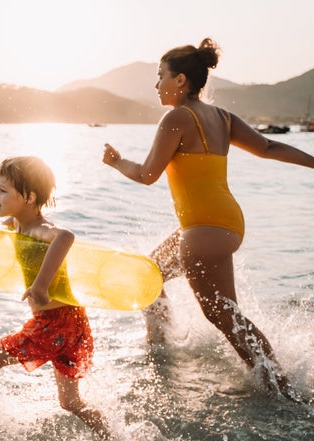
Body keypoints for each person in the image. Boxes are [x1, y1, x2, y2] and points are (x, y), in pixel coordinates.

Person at [101, 38, 314, 399]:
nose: (156, 85)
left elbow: (148, 174)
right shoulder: (221, 117)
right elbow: (269, 147)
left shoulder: (177, 117)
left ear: (180, 80)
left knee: (224, 317)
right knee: (150, 275)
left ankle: (279, 388)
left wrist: (116, 162)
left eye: (160, 76)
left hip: (203, 229)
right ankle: (162, 348)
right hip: (224, 221)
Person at [0, 155, 108, 435]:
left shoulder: (40, 228)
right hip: (73, 320)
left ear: (30, 197)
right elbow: (5, 229)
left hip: (54, 323)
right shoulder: (17, 224)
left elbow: (66, 237)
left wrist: (40, 286)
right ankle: (118, 440)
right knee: (70, 402)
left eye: (2, 190)